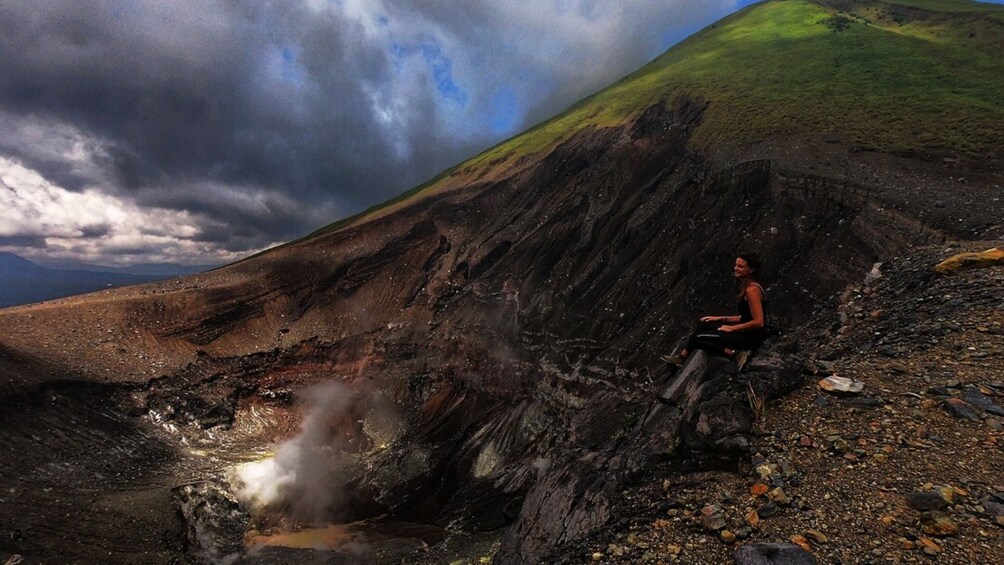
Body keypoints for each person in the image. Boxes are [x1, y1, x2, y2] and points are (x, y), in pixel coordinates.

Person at [662, 253, 769, 366]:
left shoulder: (752, 290)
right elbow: (746, 317)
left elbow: (758, 322)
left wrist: (731, 329)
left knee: (697, 338)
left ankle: (735, 353)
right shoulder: (748, 286)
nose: (736, 268)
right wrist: (720, 319)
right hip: (744, 332)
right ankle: (682, 357)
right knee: (704, 324)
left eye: (740, 266)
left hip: (749, 338)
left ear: (751, 270)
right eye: (736, 265)